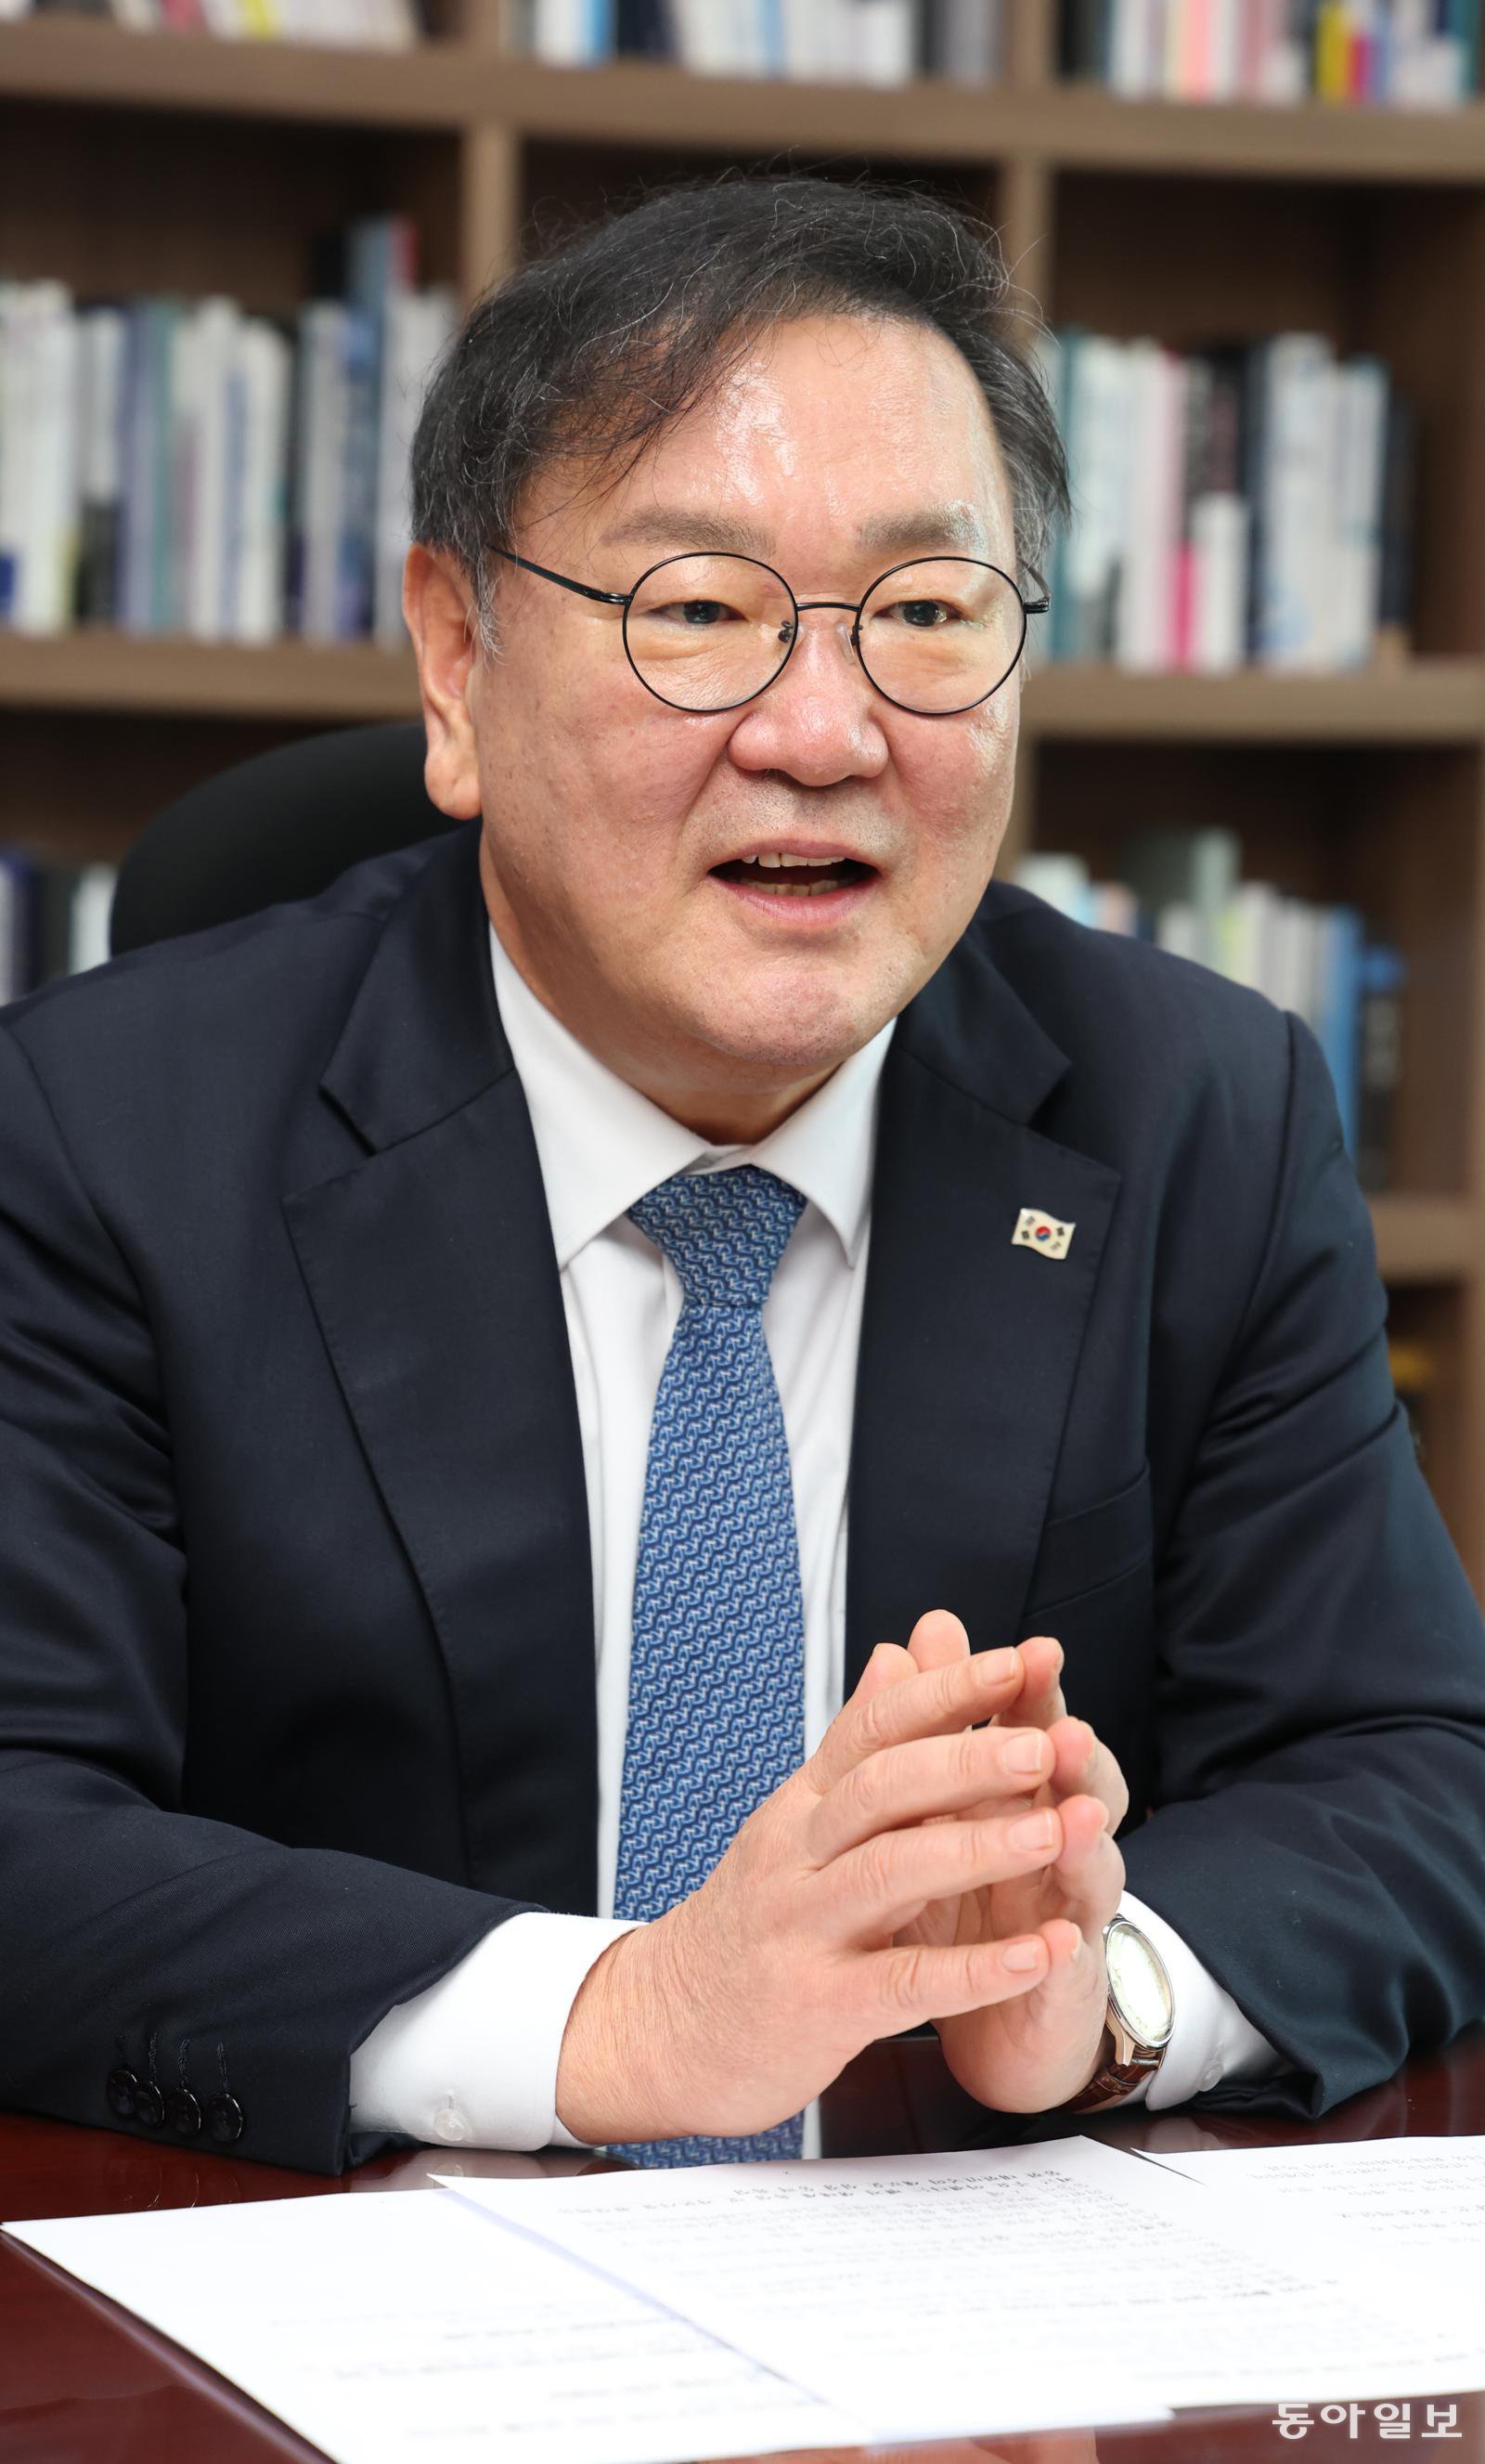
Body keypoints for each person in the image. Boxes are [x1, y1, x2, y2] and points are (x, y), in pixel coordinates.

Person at [2, 175, 1483, 2178]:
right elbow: (23, 1821)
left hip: (964, 2300)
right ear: (455, 664)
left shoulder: (1195, 1113)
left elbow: (1410, 1763)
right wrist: (624, 2020)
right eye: (699, 608)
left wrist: (1098, 1989)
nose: (823, 730)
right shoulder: (104, 1131)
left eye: (927, 614)